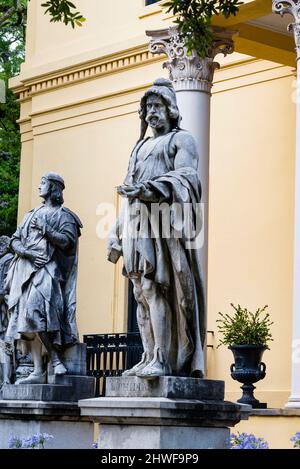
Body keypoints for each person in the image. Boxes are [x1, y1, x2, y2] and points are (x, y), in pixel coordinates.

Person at [108, 78, 205, 378]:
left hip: (163, 223)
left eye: (157, 106)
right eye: (147, 107)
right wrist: (115, 231)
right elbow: (127, 192)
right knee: (139, 291)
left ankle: (163, 358)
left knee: (155, 288)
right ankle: (148, 354)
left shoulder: (181, 140)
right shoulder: (139, 147)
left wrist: (150, 190)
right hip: (136, 224)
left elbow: (187, 178)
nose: (151, 112)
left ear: (171, 109)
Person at [4, 172, 82, 384]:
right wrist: (28, 253)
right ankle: (39, 370)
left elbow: (67, 242)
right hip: (26, 271)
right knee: (27, 320)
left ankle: (55, 359)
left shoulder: (65, 216)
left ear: (54, 188)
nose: (39, 187)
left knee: (39, 312)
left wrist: (47, 231)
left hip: (49, 271)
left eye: (43, 183)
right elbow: (14, 241)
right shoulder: (30, 214)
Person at [0, 236, 13, 386]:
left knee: (5, 347)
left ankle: (6, 380)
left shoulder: (7, 259)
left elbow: (5, 286)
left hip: (5, 308)